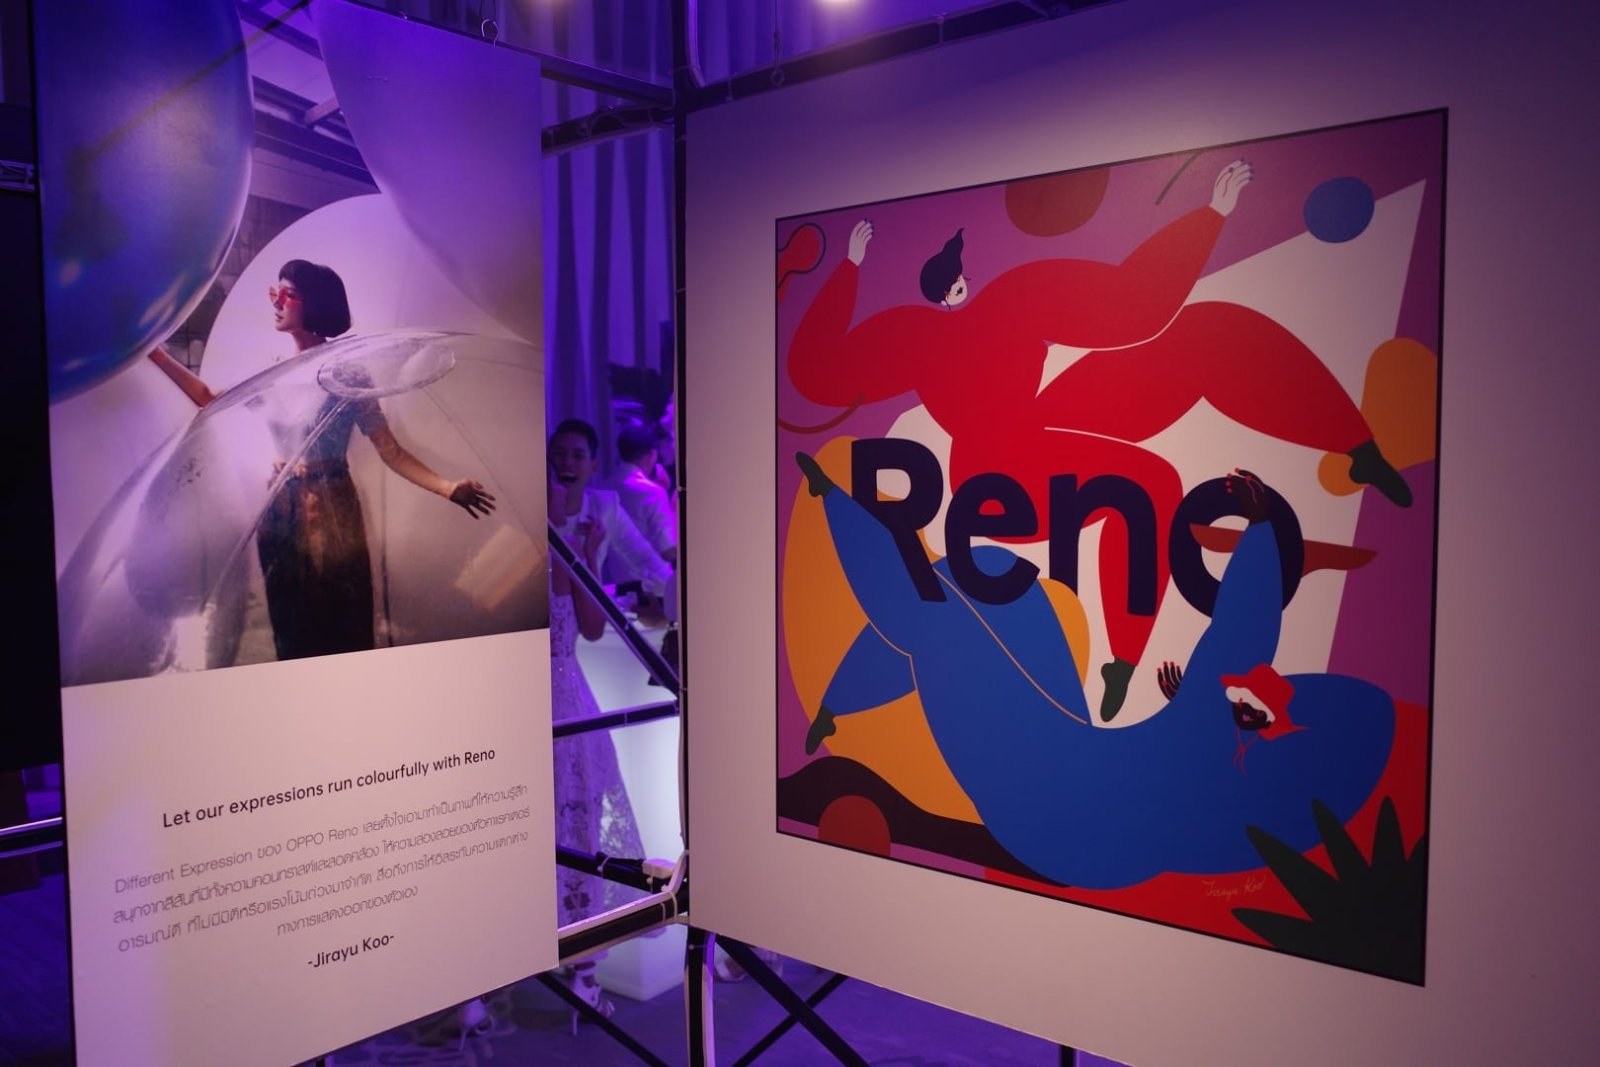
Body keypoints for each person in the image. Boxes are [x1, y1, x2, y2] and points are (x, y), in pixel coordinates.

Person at [786, 160, 1410, 722]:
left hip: (1037, 431)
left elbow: (1131, 305)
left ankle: (1356, 447)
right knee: (1148, 483)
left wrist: (1210, 216)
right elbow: (816, 376)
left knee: (1205, 334)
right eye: (956, 284)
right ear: (957, 287)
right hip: (997, 477)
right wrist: (847, 269)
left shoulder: (979, 310)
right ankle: (1123, 663)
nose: (961, 292)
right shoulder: (956, 319)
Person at [794, 452, 1396, 890]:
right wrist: (1198, 708)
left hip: (1050, 796)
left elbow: (1242, 638)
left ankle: (835, 508)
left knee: (936, 621)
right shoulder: (1230, 809)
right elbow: (1235, 671)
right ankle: (835, 703)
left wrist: (1262, 531)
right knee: (973, 604)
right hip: (1080, 827)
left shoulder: (1213, 749)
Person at [146, 259, 495, 662]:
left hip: (331, 510)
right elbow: (208, 398)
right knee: (289, 620)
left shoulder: (345, 373)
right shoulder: (274, 372)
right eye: (275, 293)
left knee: (339, 618)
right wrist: (155, 354)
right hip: (279, 510)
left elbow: (390, 450)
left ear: (314, 303)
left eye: (288, 294)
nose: (277, 302)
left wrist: (448, 488)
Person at [547, 444, 646, 1028]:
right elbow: (590, 628)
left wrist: (584, 551)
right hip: (564, 702)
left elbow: (588, 625)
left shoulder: (523, 553)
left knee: (555, 831)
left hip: (547, 705)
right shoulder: (554, 551)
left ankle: (477, 997)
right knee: (575, 833)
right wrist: (581, 552)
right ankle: (583, 977)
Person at [548, 418, 672, 599]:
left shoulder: (604, 506)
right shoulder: (534, 511)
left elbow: (647, 559)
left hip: (591, 607)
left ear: (594, 466)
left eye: (577, 455)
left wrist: (678, 593)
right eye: (559, 454)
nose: (567, 462)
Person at [606, 421, 678, 566]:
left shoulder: (603, 487)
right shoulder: (653, 493)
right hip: (650, 577)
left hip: (609, 577)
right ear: (652, 454)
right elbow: (669, 551)